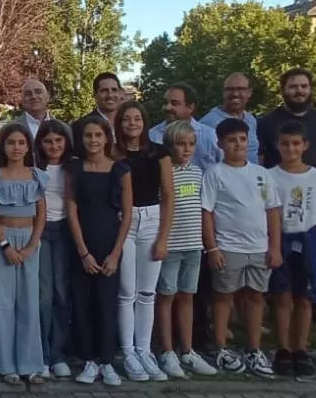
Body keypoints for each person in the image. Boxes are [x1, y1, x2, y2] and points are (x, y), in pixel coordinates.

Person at [202, 117, 282, 378]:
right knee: (223, 297)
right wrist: (212, 248)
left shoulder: (262, 173)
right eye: (231, 140)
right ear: (220, 143)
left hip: (259, 246)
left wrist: (274, 247)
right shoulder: (215, 173)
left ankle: (253, 348)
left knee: (255, 297)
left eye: (242, 139)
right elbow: (208, 213)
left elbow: (272, 211)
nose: (238, 144)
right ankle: (222, 347)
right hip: (228, 246)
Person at [269, 121, 316, 377]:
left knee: (305, 299)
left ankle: (301, 348)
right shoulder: (270, 175)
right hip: (282, 239)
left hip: (309, 241)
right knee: (283, 296)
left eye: (296, 144)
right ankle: (283, 348)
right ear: (278, 145)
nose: (290, 149)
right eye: (285, 144)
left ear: (305, 145)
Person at [67, 116, 130, 386]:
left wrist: (116, 253)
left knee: (107, 303)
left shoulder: (121, 170)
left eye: (98, 135)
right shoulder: (75, 169)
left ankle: (107, 361)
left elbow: (127, 214)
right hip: (82, 243)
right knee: (83, 304)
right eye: (88, 136)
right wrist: (82, 252)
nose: (93, 140)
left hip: (109, 243)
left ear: (107, 138)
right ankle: (90, 360)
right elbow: (71, 209)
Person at [114, 101, 175, 382]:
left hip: (151, 220)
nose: (132, 123)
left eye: (137, 118)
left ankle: (144, 350)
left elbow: (168, 195)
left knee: (147, 293)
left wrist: (163, 237)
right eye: (127, 119)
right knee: (127, 291)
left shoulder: (159, 153)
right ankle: (128, 352)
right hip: (123, 221)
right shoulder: (113, 153)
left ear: (144, 122)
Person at [0, 123, 48, 385]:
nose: (17, 148)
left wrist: (33, 244)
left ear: (28, 146)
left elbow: (42, 213)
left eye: (21, 143)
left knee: (29, 302)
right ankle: (5, 363)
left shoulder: (37, 175)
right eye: (11, 143)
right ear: (3, 146)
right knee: (3, 301)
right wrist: (4, 244)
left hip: (29, 240)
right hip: (4, 240)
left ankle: (30, 363)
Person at [154, 121, 217, 378]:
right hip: (171, 245)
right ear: (170, 146)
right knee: (166, 296)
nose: (187, 149)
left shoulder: (199, 173)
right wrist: (162, 240)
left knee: (187, 296)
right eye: (181, 144)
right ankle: (166, 350)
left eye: (191, 144)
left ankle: (187, 350)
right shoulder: (164, 173)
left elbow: (203, 211)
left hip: (193, 245)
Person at [35, 120, 74, 379]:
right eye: (48, 141)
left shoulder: (74, 167)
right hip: (40, 231)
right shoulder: (35, 169)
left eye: (59, 140)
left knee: (62, 293)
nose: (54, 145)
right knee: (43, 294)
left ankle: (58, 352)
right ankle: (42, 354)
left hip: (65, 231)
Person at [258, 68, 316, 168]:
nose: (299, 90)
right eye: (293, 87)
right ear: (283, 90)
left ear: (310, 89)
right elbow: (260, 160)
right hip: (277, 182)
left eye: (304, 86)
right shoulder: (265, 123)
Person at [148, 84, 221, 170]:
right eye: (165, 103)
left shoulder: (210, 136)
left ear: (190, 107)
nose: (167, 107)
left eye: (174, 103)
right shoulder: (152, 136)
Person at [201, 73, 260, 164]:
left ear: (249, 92)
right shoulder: (208, 123)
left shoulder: (251, 119)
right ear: (223, 92)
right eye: (229, 89)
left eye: (240, 89)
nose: (235, 94)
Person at [72, 72, 124, 157]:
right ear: (95, 96)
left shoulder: (130, 125)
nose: (110, 95)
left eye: (114, 90)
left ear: (121, 93)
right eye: (104, 91)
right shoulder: (79, 127)